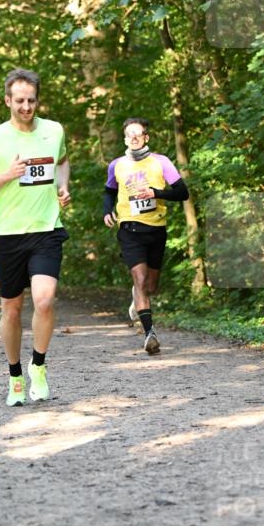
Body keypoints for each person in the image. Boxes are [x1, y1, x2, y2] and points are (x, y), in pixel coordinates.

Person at [0, 67, 70, 406]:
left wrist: (63, 185)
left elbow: (62, 161)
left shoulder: (54, 130)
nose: (26, 107)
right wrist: (7, 175)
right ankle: (15, 375)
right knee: (11, 310)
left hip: (46, 229)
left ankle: (38, 366)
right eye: (19, 101)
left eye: (31, 101)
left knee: (44, 300)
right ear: (7, 101)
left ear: (37, 100)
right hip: (9, 234)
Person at [103, 117, 189, 354]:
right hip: (129, 229)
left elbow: (182, 192)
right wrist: (107, 211)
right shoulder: (116, 165)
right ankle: (150, 334)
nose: (133, 137)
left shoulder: (161, 162)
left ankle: (137, 296)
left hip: (156, 229)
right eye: (129, 134)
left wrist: (156, 193)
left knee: (150, 286)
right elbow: (109, 191)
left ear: (145, 137)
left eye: (138, 133)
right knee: (140, 280)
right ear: (125, 139)